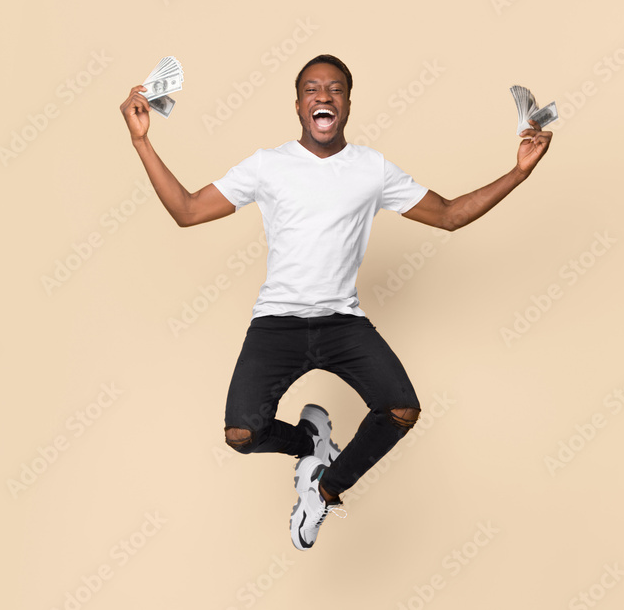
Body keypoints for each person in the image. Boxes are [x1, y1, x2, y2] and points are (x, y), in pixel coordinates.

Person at [119, 54, 553, 550]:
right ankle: (309, 443)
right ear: (299, 104)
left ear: (347, 103)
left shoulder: (372, 169)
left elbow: (450, 215)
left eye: (335, 89)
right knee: (241, 434)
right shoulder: (268, 164)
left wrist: (518, 172)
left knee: (401, 409)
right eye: (311, 89)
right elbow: (188, 210)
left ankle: (323, 490)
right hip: (276, 324)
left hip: (341, 323)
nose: (323, 96)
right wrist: (141, 140)